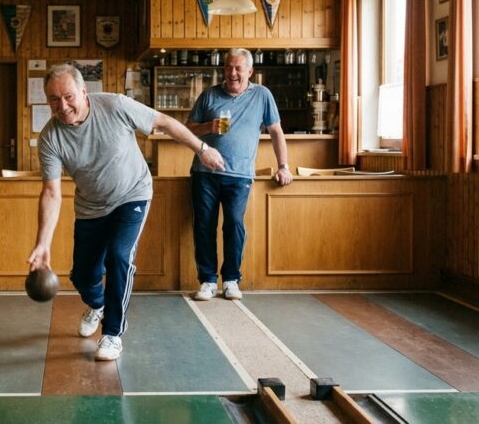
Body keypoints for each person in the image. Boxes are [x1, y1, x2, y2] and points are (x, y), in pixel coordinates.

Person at [27, 63, 223, 361]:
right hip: (91, 207)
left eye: (68, 96)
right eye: (54, 99)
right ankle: (99, 305)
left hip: (132, 194)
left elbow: (164, 122)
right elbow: (52, 193)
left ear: (83, 91)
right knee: (82, 275)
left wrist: (202, 149)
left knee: (119, 257)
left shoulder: (115, 105)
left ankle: (113, 333)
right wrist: (43, 243)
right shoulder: (51, 138)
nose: (62, 105)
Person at [186, 48, 293, 302]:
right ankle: (208, 281)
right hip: (204, 173)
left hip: (240, 175)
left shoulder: (263, 95)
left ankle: (231, 279)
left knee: (234, 224)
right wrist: (207, 127)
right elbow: (188, 130)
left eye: (237, 68)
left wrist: (284, 166)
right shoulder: (209, 95)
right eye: (227, 67)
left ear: (249, 71)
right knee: (204, 226)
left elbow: (276, 131)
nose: (232, 73)